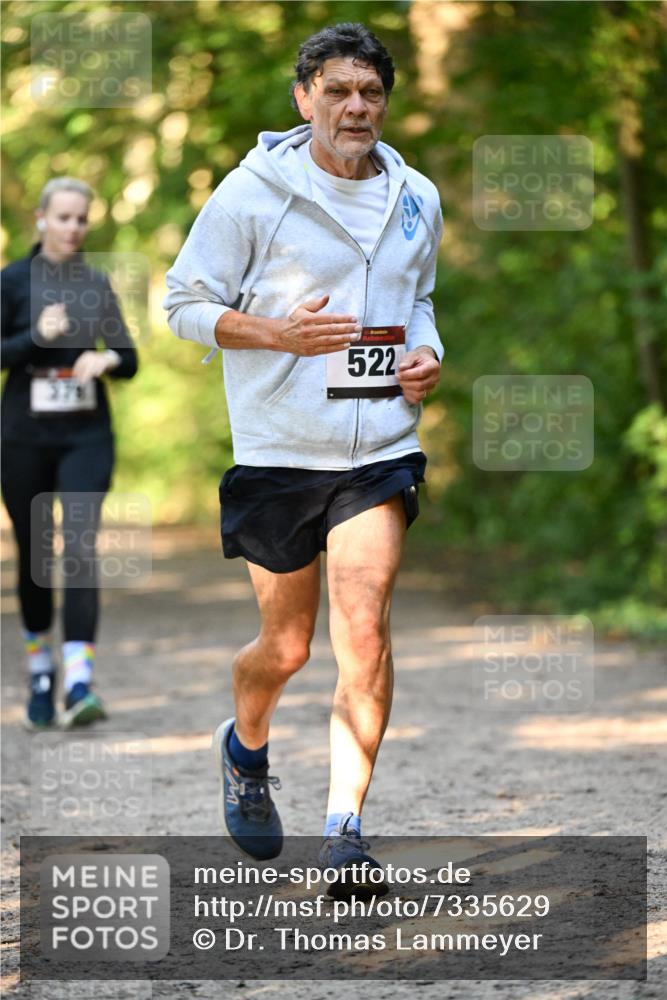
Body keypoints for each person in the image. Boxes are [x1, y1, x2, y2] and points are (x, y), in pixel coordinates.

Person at [164, 22, 443, 889]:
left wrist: (426, 355)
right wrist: (276, 333)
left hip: (379, 452)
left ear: (384, 102)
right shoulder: (251, 195)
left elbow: (419, 297)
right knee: (285, 649)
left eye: (369, 92)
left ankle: (345, 831)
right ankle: (244, 748)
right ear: (303, 98)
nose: (354, 106)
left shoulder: (414, 196)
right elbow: (183, 303)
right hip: (281, 450)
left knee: (364, 633)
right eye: (336, 90)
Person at [1, 177, 138, 729]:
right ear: (41, 219)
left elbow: (127, 356)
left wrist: (106, 362)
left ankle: (79, 682)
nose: (74, 227)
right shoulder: (12, 280)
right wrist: (36, 335)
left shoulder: (96, 283)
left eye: (82, 218)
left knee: (79, 545)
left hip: (86, 433)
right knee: (36, 554)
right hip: (23, 435)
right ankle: (41, 671)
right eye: (64, 217)